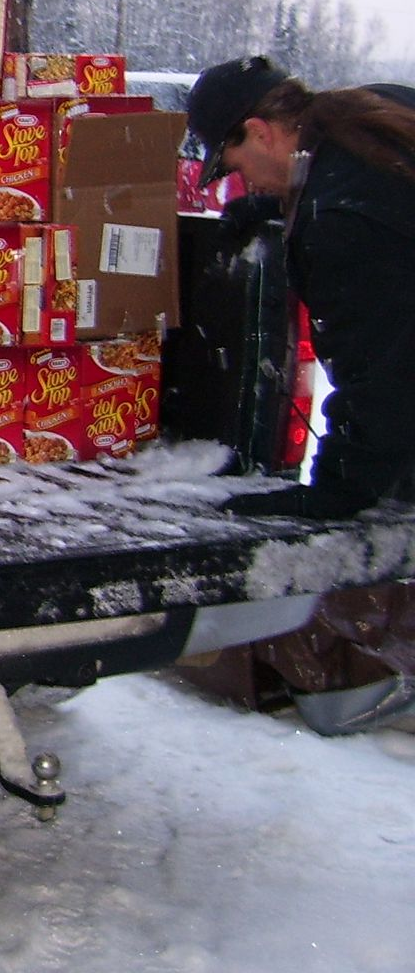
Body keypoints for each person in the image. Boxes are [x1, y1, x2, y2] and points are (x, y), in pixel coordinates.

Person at [185, 54, 415, 731]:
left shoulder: (346, 220)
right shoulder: (369, 114)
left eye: (234, 167)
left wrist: (337, 490)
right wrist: (267, 207)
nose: (236, 182)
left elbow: (383, 378)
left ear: (261, 130)